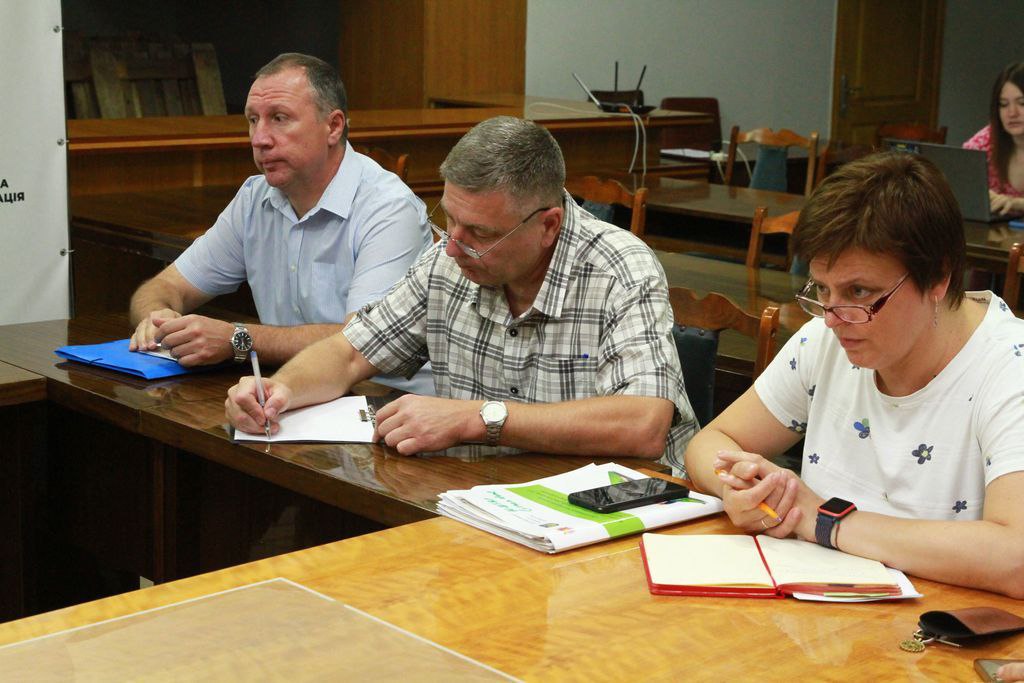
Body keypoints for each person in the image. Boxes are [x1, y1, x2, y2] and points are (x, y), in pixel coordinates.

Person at [225, 116, 697, 463]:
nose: (453, 246)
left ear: (548, 226)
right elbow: (350, 353)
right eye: (448, 218)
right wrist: (279, 391)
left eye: (481, 234)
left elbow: (644, 424)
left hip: (609, 524)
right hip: (482, 506)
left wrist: (476, 419)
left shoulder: (619, 268)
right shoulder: (448, 261)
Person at [683, 152, 1024, 598]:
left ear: (939, 278)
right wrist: (742, 490)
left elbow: (1015, 557)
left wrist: (824, 520)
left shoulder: (1008, 369)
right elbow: (709, 442)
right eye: (823, 290)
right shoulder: (826, 341)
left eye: (859, 292)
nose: (832, 318)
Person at [129, 53, 433, 393]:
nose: (259, 139)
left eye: (279, 118)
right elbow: (164, 286)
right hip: (289, 392)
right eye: (252, 120)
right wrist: (158, 319)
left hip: (384, 403)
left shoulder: (389, 208)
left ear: (333, 126)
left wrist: (238, 339)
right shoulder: (254, 199)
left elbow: (361, 341)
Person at [963, 62, 1024, 216]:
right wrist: (981, 195)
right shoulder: (986, 141)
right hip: (997, 236)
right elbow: (960, 182)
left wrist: (1016, 203)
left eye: (1022, 103)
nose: (1012, 113)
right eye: (1003, 105)